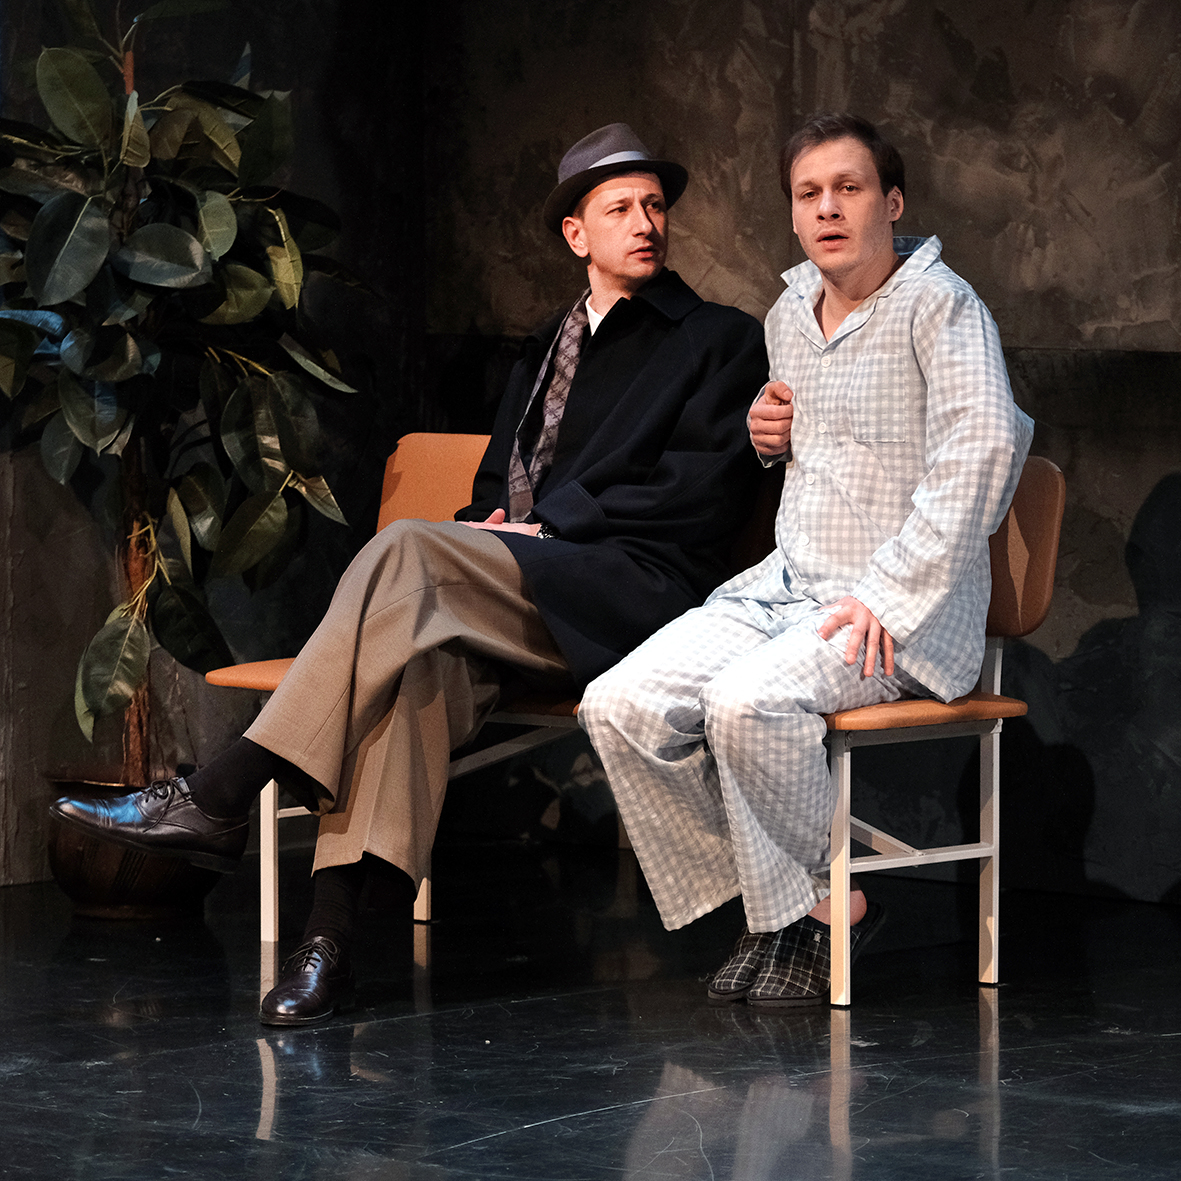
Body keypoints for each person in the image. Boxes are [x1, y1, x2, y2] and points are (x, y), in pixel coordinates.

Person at [51, 123, 768, 1025]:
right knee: (411, 672)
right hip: (521, 590)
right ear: (575, 234)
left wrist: (548, 527)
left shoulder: (718, 339)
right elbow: (494, 487)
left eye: (654, 205)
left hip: (628, 596)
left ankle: (223, 788)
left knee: (407, 547)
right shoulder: (544, 348)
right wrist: (491, 527)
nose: (646, 223)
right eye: (620, 208)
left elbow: (699, 494)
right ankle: (330, 947)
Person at [579, 113, 1034, 1008]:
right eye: (807, 193)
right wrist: (766, 435)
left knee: (744, 702)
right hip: (787, 587)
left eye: (847, 188)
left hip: (895, 606)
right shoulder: (788, 314)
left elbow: (982, 449)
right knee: (619, 703)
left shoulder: (940, 306)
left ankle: (800, 915)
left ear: (890, 202)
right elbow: (822, 446)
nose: (827, 208)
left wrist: (891, 596)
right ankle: (811, 905)